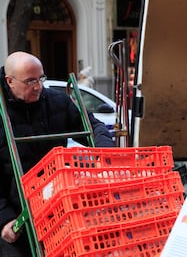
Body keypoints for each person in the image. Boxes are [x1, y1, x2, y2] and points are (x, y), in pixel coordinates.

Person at [0, 51, 115, 256]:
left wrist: (104, 154)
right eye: (30, 81)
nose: (38, 86)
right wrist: (5, 218)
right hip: (16, 212)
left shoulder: (56, 101)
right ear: (10, 81)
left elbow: (93, 126)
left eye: (41, 78)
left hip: (57, 206)